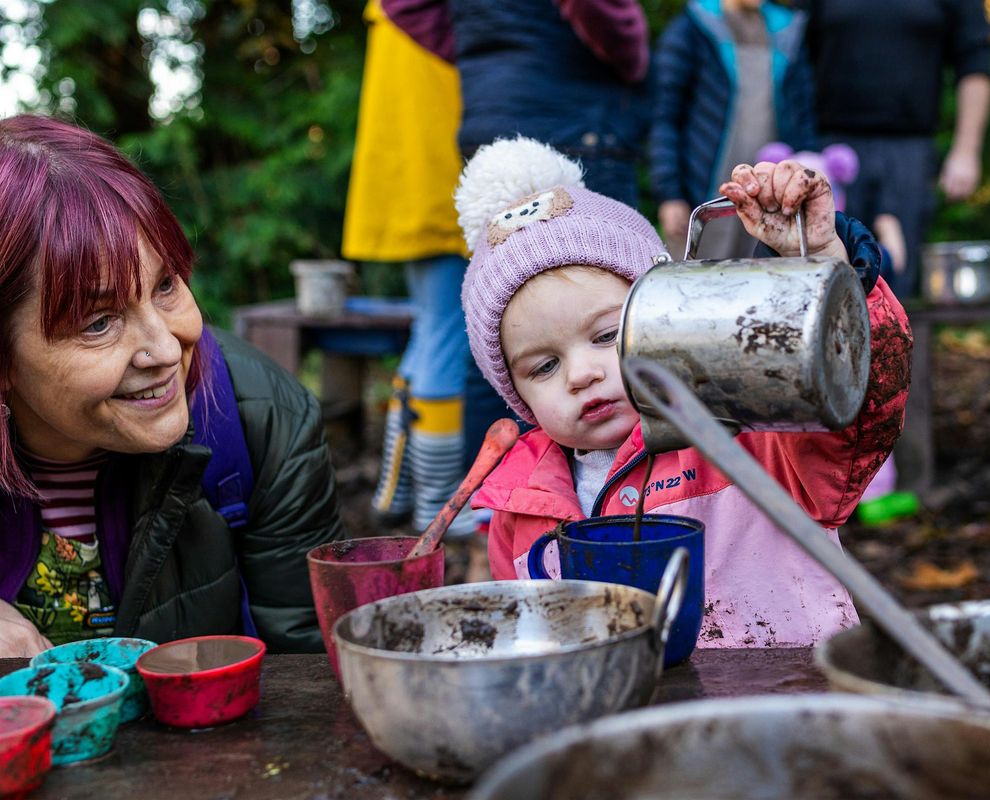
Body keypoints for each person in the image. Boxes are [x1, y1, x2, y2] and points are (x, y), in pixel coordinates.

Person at [456, 138, 912, 647]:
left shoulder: (746, 430)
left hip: (784, 698)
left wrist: (826, 261)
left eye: (607, 336)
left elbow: (859, 407)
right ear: (514, 392)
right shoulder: (519, 505)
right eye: (544, 366)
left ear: (667, 316)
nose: (581, 374)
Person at [0, 115, 343, 658]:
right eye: (98, 323)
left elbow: (313, 675)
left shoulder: (266, 421)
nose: (166, 349)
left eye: (165, 285)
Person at [342, 1, 481, 538]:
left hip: (410, 181)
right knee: (448, 332)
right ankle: (440, 504)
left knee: (431, 328)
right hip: (440, 177)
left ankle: (399, 489)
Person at [806, 0, 990, 298]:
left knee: (898, 281)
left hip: (910, 151)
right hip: (831, 149)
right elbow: (796, 55)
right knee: (825, 276)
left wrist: (966, 150)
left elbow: (975, 63)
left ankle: (895, 344)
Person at [381, 0, 651, 207]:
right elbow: (606, 18)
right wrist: (633, 55)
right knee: (602, 268)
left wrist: (480, 49)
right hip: (574, 122)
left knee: (506, 271)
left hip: (487, 124)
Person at [650, 0, 816, 259]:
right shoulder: (693, 28)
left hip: (769, 195)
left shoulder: (787, 32)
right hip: (704, 191)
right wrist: (670, 194)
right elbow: (665, 117)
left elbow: (803, 115)